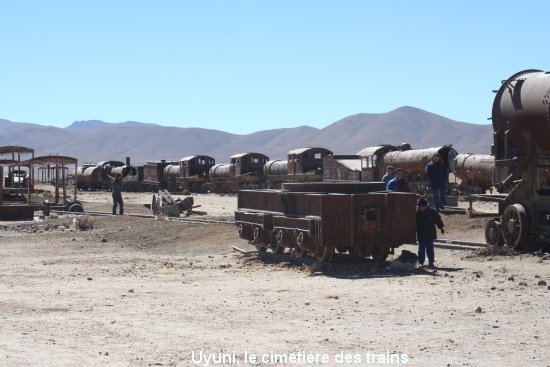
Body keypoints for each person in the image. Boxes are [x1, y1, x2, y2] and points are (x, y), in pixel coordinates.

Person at [416, 198, 445, 268]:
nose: (420, 208)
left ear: (425, 206)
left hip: (430, 234)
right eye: (419, 207)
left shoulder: (432, 212)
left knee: (429, 249)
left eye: (421, 207)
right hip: (421, 234)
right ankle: (421, 262)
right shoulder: (416, 213)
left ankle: (431, 262)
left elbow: (438, 220)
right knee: (421, 249)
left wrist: (441, 228)